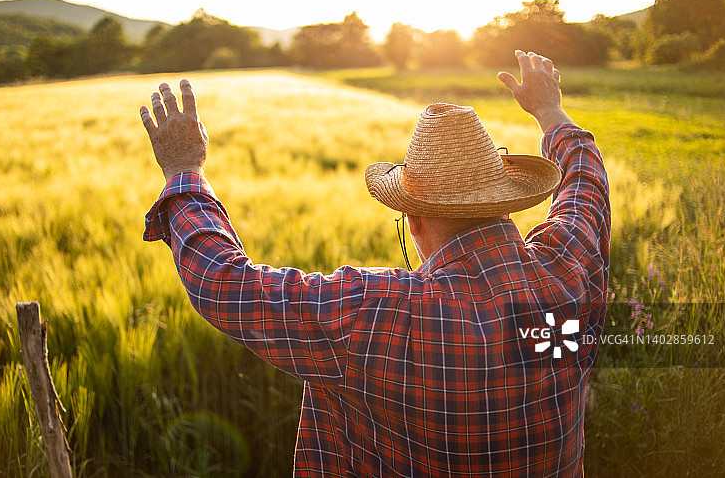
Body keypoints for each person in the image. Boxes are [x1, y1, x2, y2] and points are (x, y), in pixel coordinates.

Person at [140, 50, 610, 476]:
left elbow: (224, 284)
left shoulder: (375, 314)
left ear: (413, 220)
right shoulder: (568, 263)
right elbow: (585, 182)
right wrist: (549, 110)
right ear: (507, 203)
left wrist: (185, 168)